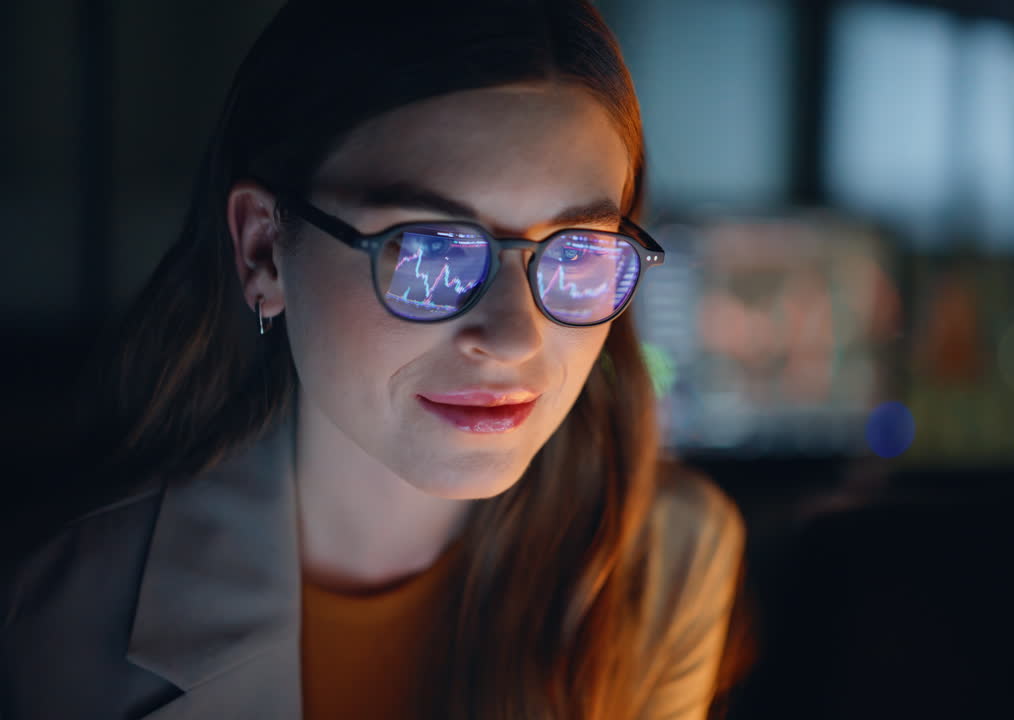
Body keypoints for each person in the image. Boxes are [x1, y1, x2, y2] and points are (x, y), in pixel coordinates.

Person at [0, 2, 751, 718]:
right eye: (429, 251)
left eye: (578, 253)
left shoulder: (668, 560)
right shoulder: (54, 610)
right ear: (263, 250)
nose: (515, 338)